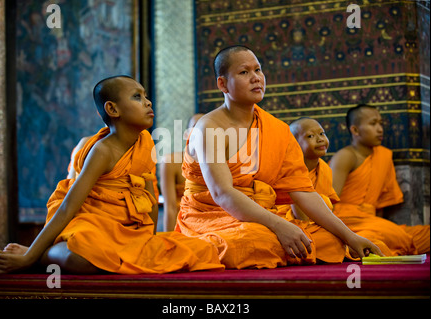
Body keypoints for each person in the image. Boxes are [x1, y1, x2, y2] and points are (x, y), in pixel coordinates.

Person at [0, 75, 223, 274]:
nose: (148, 102)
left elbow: (149, 197)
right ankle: (41, 256)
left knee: (202, 250)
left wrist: (150, 240)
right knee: (84, 257)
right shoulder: (103, 150)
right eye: (137, 97)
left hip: (128, 231)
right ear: (112, 109)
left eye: (145, 95)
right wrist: (29, 256)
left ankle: (46, 253)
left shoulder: (145, 143)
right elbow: (69, 204)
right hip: (93, 226)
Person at [175, 45, 382, 269]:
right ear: (222, 84)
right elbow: (222, 194)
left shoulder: (277, 129)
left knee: (330, 240)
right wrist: (279, 226)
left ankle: (275, 245)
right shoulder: (210, 127)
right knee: (251, 241)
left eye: (258, 70)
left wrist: (350, 237)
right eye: (244, 72)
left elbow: (304, 192)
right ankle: (201, 246)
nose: (255, 78)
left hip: (258, 217)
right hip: (210, 217)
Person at [329, 104, 430, 255]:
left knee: (425, 234)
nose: (380, 129)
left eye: (381, 123)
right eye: (373, 123)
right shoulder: (346, 156)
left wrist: (378, 224)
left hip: (371, 222)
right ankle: (356, 246)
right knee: (383, 236)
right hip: (345, 221)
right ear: (355, 130)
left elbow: (381, 203)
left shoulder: (383, 156)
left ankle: (370, 247)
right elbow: (328, 200)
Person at [288, 117, 392, 258]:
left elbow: (328, 210)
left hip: (319, 227)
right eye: (310, 136)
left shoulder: (324, 170)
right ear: (294, 144)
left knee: (377, 244)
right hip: (295, 227)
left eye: (322, 133)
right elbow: (302, 220)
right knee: (332, 241)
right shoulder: (292, 171)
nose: (320, 139)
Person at [160, 113, 203, 231]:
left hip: (209, 224)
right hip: (182, 224)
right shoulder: (171, 162)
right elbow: (170, 207)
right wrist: (168, 240)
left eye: (206, 127)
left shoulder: (220, 164)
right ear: (186, 134)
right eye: (195, 127)